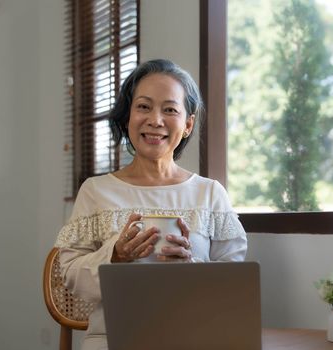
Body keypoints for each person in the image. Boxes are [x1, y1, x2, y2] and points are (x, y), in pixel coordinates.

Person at [54, 59, 247, 350]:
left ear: (187, 124)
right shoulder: (96, 191)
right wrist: (115, 256)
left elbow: (234, 284)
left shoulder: (210, 194)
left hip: (194, 338)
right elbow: (68, 274)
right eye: (143, 106)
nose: (155, 120)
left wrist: (191, 268)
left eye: (170, 109)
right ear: (127, 118)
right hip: (111, 339)